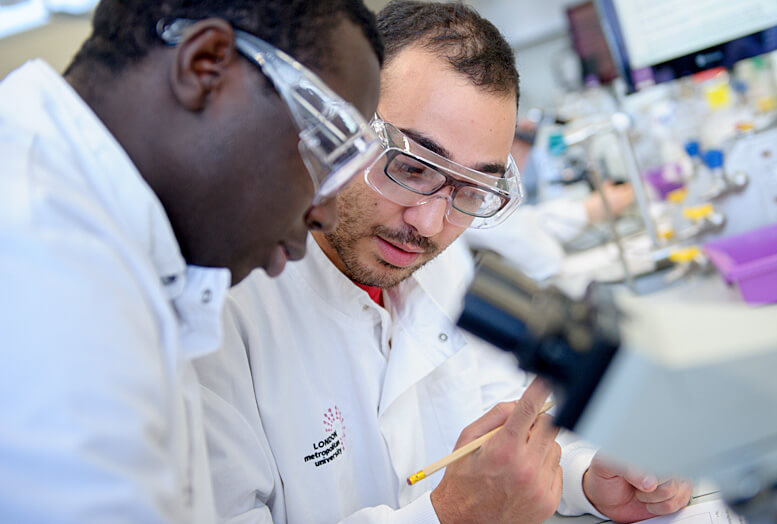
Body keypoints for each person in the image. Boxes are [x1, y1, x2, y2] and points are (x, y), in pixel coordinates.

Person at [196, 2, 692, 523]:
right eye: (410, 168)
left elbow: (499, 419)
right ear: (337, 124)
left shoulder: (442, 268)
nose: (430, 224)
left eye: (471, 190)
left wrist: (587, 477)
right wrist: (448, 515)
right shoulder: (219, 314)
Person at [0, 0, 382, 521]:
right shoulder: (44, 265)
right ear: (206, 65)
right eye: (324, 151)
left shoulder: (102, 243)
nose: (326, 213)